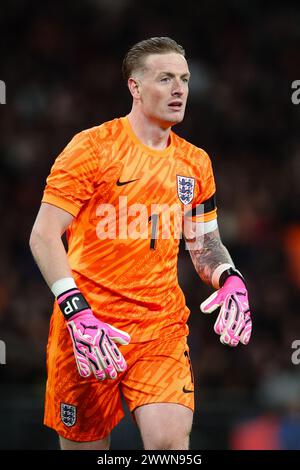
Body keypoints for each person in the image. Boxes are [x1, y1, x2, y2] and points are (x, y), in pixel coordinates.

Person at [29, 37, 252, 451]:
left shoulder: (195, 162)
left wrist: (229, 277)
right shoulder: (92, 147)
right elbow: (43, 236)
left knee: (169, 445)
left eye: (184, 79)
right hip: (88, 328)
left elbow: (204, 246)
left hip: (159, 329)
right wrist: (77, 313)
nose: (179, 89)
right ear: (135, 87)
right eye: (165, 78)